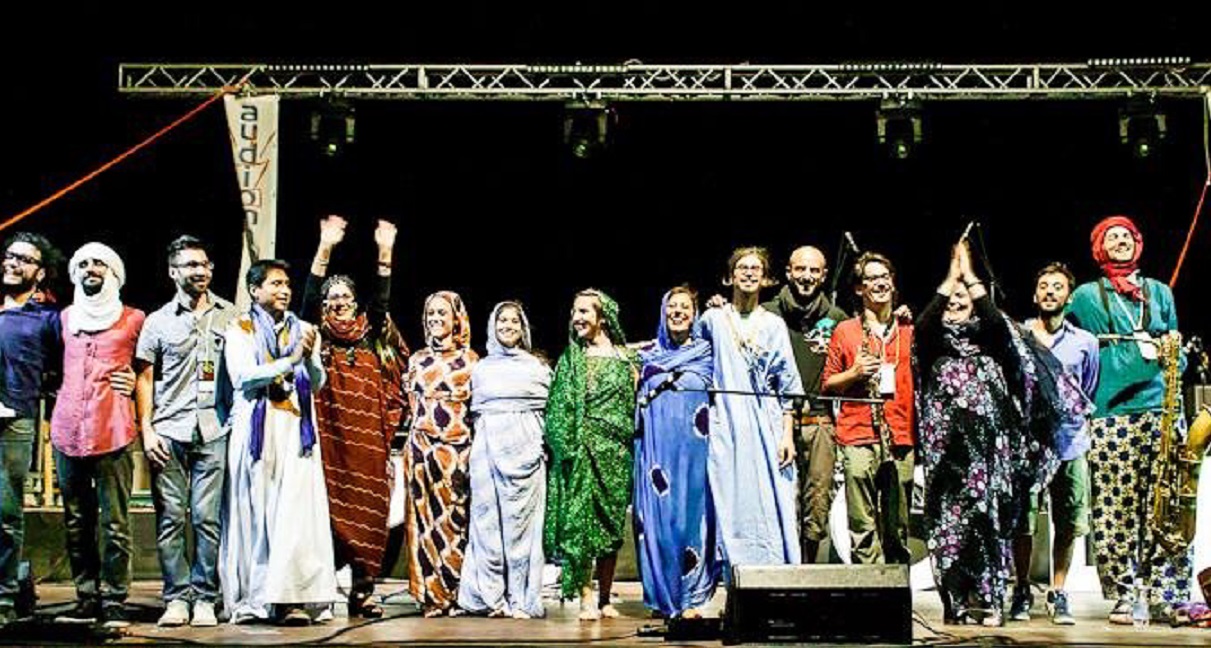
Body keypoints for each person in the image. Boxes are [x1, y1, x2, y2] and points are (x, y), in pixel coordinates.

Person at [916, 242, 1067, 627]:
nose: (955, 301)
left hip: (988, 460)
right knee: (950, 530)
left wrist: (971, 279)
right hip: (947, 462)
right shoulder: (932, 343)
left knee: (989, 526)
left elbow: (995, 322)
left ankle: (990, 601)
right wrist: (951, 280)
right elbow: (924, 324)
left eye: (963, 298)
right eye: (951, 298)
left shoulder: (994, 339)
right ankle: (956, 602)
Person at [1066, 215, 1193, 623]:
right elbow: (1064, 338)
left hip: (1162, 410)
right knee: (1114, 508)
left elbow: (1176, 344)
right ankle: (1123, 592)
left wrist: (1172, 354)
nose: (1120, 241)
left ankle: (1167, 593)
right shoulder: (1086, 296)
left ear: (1137, 242)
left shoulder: (1160, 292)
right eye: (1111, 236)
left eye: (1126, 235)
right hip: (1112, 413)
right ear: (1099, 248)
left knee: (1167, 506)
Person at [301, 216, 408, 618]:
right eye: (333, 297)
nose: (339, 301)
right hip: (330, 438)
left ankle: (363, 591)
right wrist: (325, 247)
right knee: (326, 511)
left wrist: (385, 253)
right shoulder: (317, 333)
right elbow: (308, 300)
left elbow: (381, 300)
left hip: (367, 438)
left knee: (370, 510)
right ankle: (321, 588)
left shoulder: (370, 330)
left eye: (346, 296)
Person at [219, 259, 337, 625]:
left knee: (295, 516)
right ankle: (258, 599)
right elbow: (242, 377)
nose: (284, 290)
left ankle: (293, 599)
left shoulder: (303, 329)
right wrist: (291, 360)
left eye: (286, 283)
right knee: (258, 511)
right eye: (275, 284)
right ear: (254, 290)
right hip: (258, 431)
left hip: (295, 432)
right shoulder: (239, 329)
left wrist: (310, 359)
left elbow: (316, 382)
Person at [134, 236, 236, 627]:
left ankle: (205, 597)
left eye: (205, 264)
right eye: (191, 265)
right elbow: (144, 378)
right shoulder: (157, 321)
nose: (200, 271)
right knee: (171, 518)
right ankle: (176, 597)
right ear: (173, 272)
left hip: (215, 429)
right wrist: (147, 430)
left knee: (207, 519)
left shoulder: (231, 316)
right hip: (169, 431)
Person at [50, 243, 143, 628]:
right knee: (76, 519)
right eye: (84, 263)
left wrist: (134, 380)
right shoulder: (65, 318)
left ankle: (115, 597)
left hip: (113, 428)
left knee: (115, 522)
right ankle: (86, 595)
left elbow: (149, 369)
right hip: (68, 430)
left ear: (114, 272)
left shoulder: (134, 318)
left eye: (99, 263)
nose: (91, 269)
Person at [695, 248, 802, 571]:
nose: (749, 273)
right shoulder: (712, 320)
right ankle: (732, 572)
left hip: (765, 422)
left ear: (766, 279)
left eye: (757, 268)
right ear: (729, 277)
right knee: (728, 496)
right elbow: (693, 364)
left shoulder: (774, 325)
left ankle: (772, 572)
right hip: (724, 422)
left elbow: (787, 384)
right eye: (742, 267)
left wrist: (787, 435)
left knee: (768, 496)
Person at [1009, 262, 1098, 625]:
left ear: (1069, 297)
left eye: (1058, 286)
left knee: (1068, 522)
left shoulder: (1086, 342)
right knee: (1023, 522)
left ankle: (1058, 592)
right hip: (1029, 444)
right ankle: (1021, 589)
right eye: (1044, 286)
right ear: (1035, 295)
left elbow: (1087, 390)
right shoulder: (1019, 337)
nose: (1050, 291)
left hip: (1070, 442)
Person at [545, 289, 638, 620]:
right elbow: (556, 410)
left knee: (611, 525)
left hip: (616, 453)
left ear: (603, 317)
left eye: (584, 311)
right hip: (581, 452)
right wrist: (567, 446)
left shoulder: (627, 360)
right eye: (574, 311)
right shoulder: (571, 361)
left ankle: (605, 597)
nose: (577, 317)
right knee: (582, 525)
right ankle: (586, 596)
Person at [458, 301, 550, 619]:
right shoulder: (481, 369)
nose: (507, 326)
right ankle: (490, 597)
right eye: (502, 320)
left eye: (514, 321)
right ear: (492, 326)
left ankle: (521, 598)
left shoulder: (537, 369)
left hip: (526, 453)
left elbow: (550, 412)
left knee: (522, 528)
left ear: (522, 328)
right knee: (486, 525)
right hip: (487, 452)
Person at [822, 251, 914, 565]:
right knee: (862, 523)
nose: (880, 283)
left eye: (884, 277)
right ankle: (870, 588)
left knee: (898, 524)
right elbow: (827, 384)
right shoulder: (845, 330)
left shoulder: (908, 330)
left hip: (900, 434)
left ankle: (897, 588)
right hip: (858, 432)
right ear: (860, 288)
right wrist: (854, 373)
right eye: (872, 278)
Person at [633, 287, 718, 618]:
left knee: (692, 521)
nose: (678, 312)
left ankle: (690, 598)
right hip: (656, 453)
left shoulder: (708, 353)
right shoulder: (646, 355)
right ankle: (662, 597)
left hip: (695, 452)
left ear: (695, 315)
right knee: (657, 523)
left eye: (685, 307)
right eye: (672, 306)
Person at [761, 246, 848, 563]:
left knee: (817, 500)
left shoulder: (838, 320)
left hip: (820, 422)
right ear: (788, 272)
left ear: (824, 276)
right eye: (800, 269)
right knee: (776, 498)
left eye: (814, 271)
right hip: (773, 422)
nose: (807, 276)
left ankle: (808, 571)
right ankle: (779, 568)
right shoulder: (766, 314)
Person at [0, 233, 62, 629]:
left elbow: (62, 367)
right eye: (9, 255)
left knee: (5, 513)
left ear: (39, 273)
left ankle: (4, 596)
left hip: (14, 419)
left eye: (23, 259)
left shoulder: (46, 318)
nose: (12, 262)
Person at [404, 291, 478, 617]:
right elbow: (411, 406)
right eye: (430, 313)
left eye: (442, 313)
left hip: (457, 453)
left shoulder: (472, 361)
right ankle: (431, 597)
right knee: (424, 526)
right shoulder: (416, 360)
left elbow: (476, 411)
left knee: (456, 523)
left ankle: (458, 592)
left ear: (456, 319)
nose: (435, 319)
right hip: (421, 452)